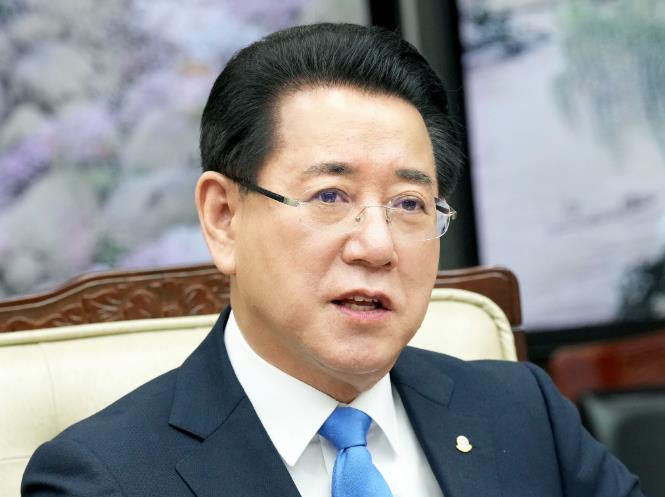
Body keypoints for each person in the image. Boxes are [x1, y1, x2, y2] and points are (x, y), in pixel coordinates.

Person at [22, 23, 643, 497]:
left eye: (408, 203)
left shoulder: (523, 413)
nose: (376, 246)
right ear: (224, 218)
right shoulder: (102, 478)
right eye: (330, 196)